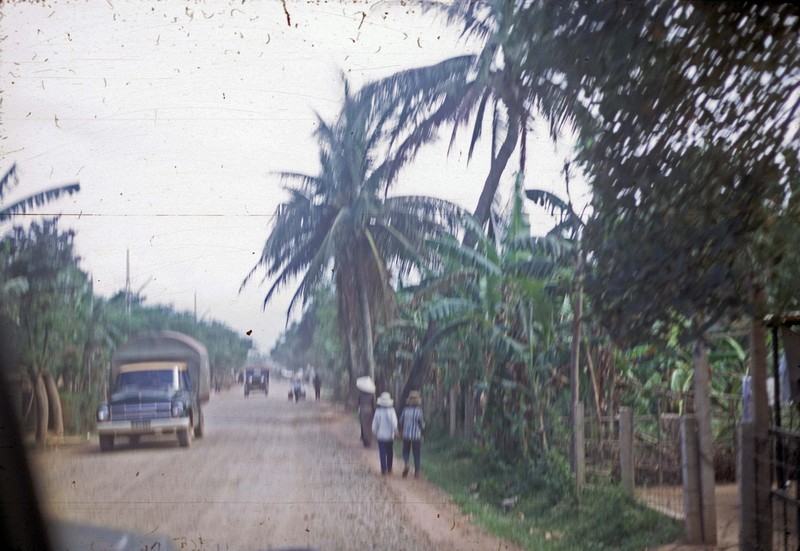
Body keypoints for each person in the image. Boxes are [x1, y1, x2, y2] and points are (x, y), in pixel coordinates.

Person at [399, 390, 425, 478]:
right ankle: (417, 472)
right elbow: (421, 424)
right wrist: (423, 433)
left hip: (406, 434)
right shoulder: (419, 411)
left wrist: (401, 431)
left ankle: (406, 464)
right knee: (416, 453)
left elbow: (401, 421)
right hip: (416, 435)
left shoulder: (405, 410)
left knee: (405, 451)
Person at [371, 392, 398, 475]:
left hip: (381, 436)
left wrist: (374, 432)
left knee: (382, 452)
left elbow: (374, 424)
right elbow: (394, 423)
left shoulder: (378, 411)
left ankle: (384, 469)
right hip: (390, 436)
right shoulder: (392, 411)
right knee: (390, 452)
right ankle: (390, 468)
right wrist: (396, 431)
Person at [356, 376, 376, 447]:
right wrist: (374, 412)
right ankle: (369, 441)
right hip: (370, 411)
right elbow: (373, 404)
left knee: (363, 426)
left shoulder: (360, 394)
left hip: (362, 410)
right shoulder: (372, 394)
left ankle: (365, 440)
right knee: (369, 426)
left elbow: (358, 402)